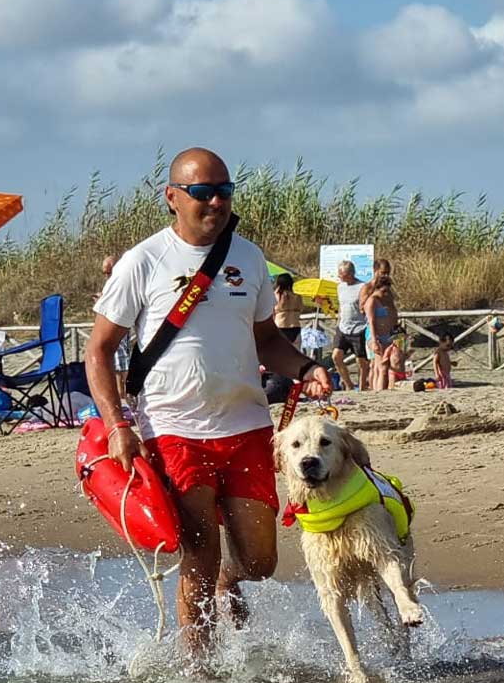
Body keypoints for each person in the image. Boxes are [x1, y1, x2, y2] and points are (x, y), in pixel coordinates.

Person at [85, 147, 332, 657]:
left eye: (224, 190)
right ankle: (201, 682)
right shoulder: (143, 261)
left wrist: (306, 369)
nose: (215, 201)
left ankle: (229, 577)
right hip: (172, 428)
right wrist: (116, 426)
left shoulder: (248, 257)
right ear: (172, 197)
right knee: (197, 551)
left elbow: (266, 340)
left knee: (260, 563)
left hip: (245, 426)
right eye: (202, 192)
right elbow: (99, 350)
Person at [96, 255, 132, 404]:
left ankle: (125, 394)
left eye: (109, 272)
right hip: (111, 322)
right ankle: (120, 394)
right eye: (104, 273)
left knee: (122, 361)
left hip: (120, 322)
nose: (106, 276)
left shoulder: (122, 282)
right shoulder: (110, 283)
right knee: (116, 361)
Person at [331, 260, 370, 391]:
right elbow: (341, 306)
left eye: (341, 273)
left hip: (359, 327)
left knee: (361, 361)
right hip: (343, 326)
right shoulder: (340, 287)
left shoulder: (362, 286)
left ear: (350, 274)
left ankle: (362, 386)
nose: (339, 276)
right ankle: (348, 385)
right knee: (336, 356)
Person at [365, 276, 399, 390]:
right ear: (377, 288)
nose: (385, 293)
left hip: (386, 336)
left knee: (381, 366)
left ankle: (380, 388)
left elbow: (393, 314)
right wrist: (374, 340)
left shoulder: (383, 300)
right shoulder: (371, 301)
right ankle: (379, 391)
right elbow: (371, 321)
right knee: (381, 367)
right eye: (383, 291)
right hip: (375, 335)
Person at [273, 272, 305, 344]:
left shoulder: (277, 296)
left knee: (280, 354)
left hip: (281, 327)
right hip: (295, 328)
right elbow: (301, 309)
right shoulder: (297, 297)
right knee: (294, 354)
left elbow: (271, 312)